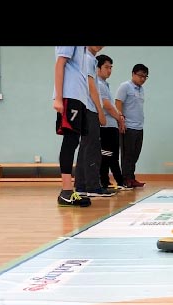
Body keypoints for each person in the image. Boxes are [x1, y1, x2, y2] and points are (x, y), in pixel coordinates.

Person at [52, 46, 92, 206]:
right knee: (70, 141)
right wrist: (59, 98)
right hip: (69, 95)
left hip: (79, 97)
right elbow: (59, 63)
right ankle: (66, 191)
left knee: (75, 141)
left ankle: (70, 190)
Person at [75, 46, 113, 198]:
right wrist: (100, 111)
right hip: (90, 109)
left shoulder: (85, 58)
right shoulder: (89, 59)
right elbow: (91, 87)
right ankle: (92, 186)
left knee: (85, 147)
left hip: (84, 108)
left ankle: (81, 186)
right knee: (92, 148)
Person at [95, 54, 130, 191]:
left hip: (111, 125)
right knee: (106, 156)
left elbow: (111, 106)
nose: (109, 70)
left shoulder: (105, 85)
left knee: (113, 155)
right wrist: (119, 118)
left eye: (111, 67)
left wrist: (119, 117)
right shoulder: (97, 84)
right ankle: (104, 182)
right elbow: (107, 105)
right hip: (105, 126)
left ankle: (119, 182)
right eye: (106, 67)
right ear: (97, 68)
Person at [115, 63, 149, 188]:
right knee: (127, 154)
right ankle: (125, 179)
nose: (143, 79)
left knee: (135, 154)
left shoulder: (141, 89)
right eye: (140, 76)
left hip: (139, 127)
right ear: (133, 74)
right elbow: (118, 103)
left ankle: (131, 177)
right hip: (128, 126)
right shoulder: (125, 86)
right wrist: (121, 121)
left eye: (145, 77)